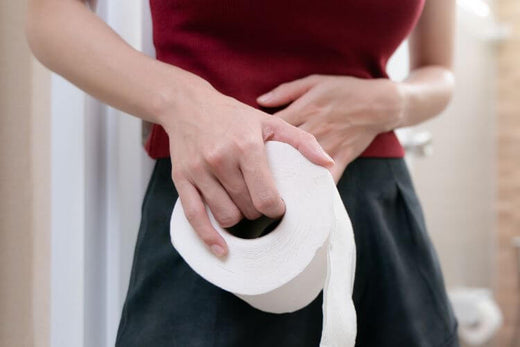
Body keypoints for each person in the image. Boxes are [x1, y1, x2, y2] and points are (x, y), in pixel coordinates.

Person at [26, 0, 459, 346]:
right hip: (220, 204)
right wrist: (184, 103)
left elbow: (439, 71)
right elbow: (50, 16)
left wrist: (391, 101)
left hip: (377, 210)